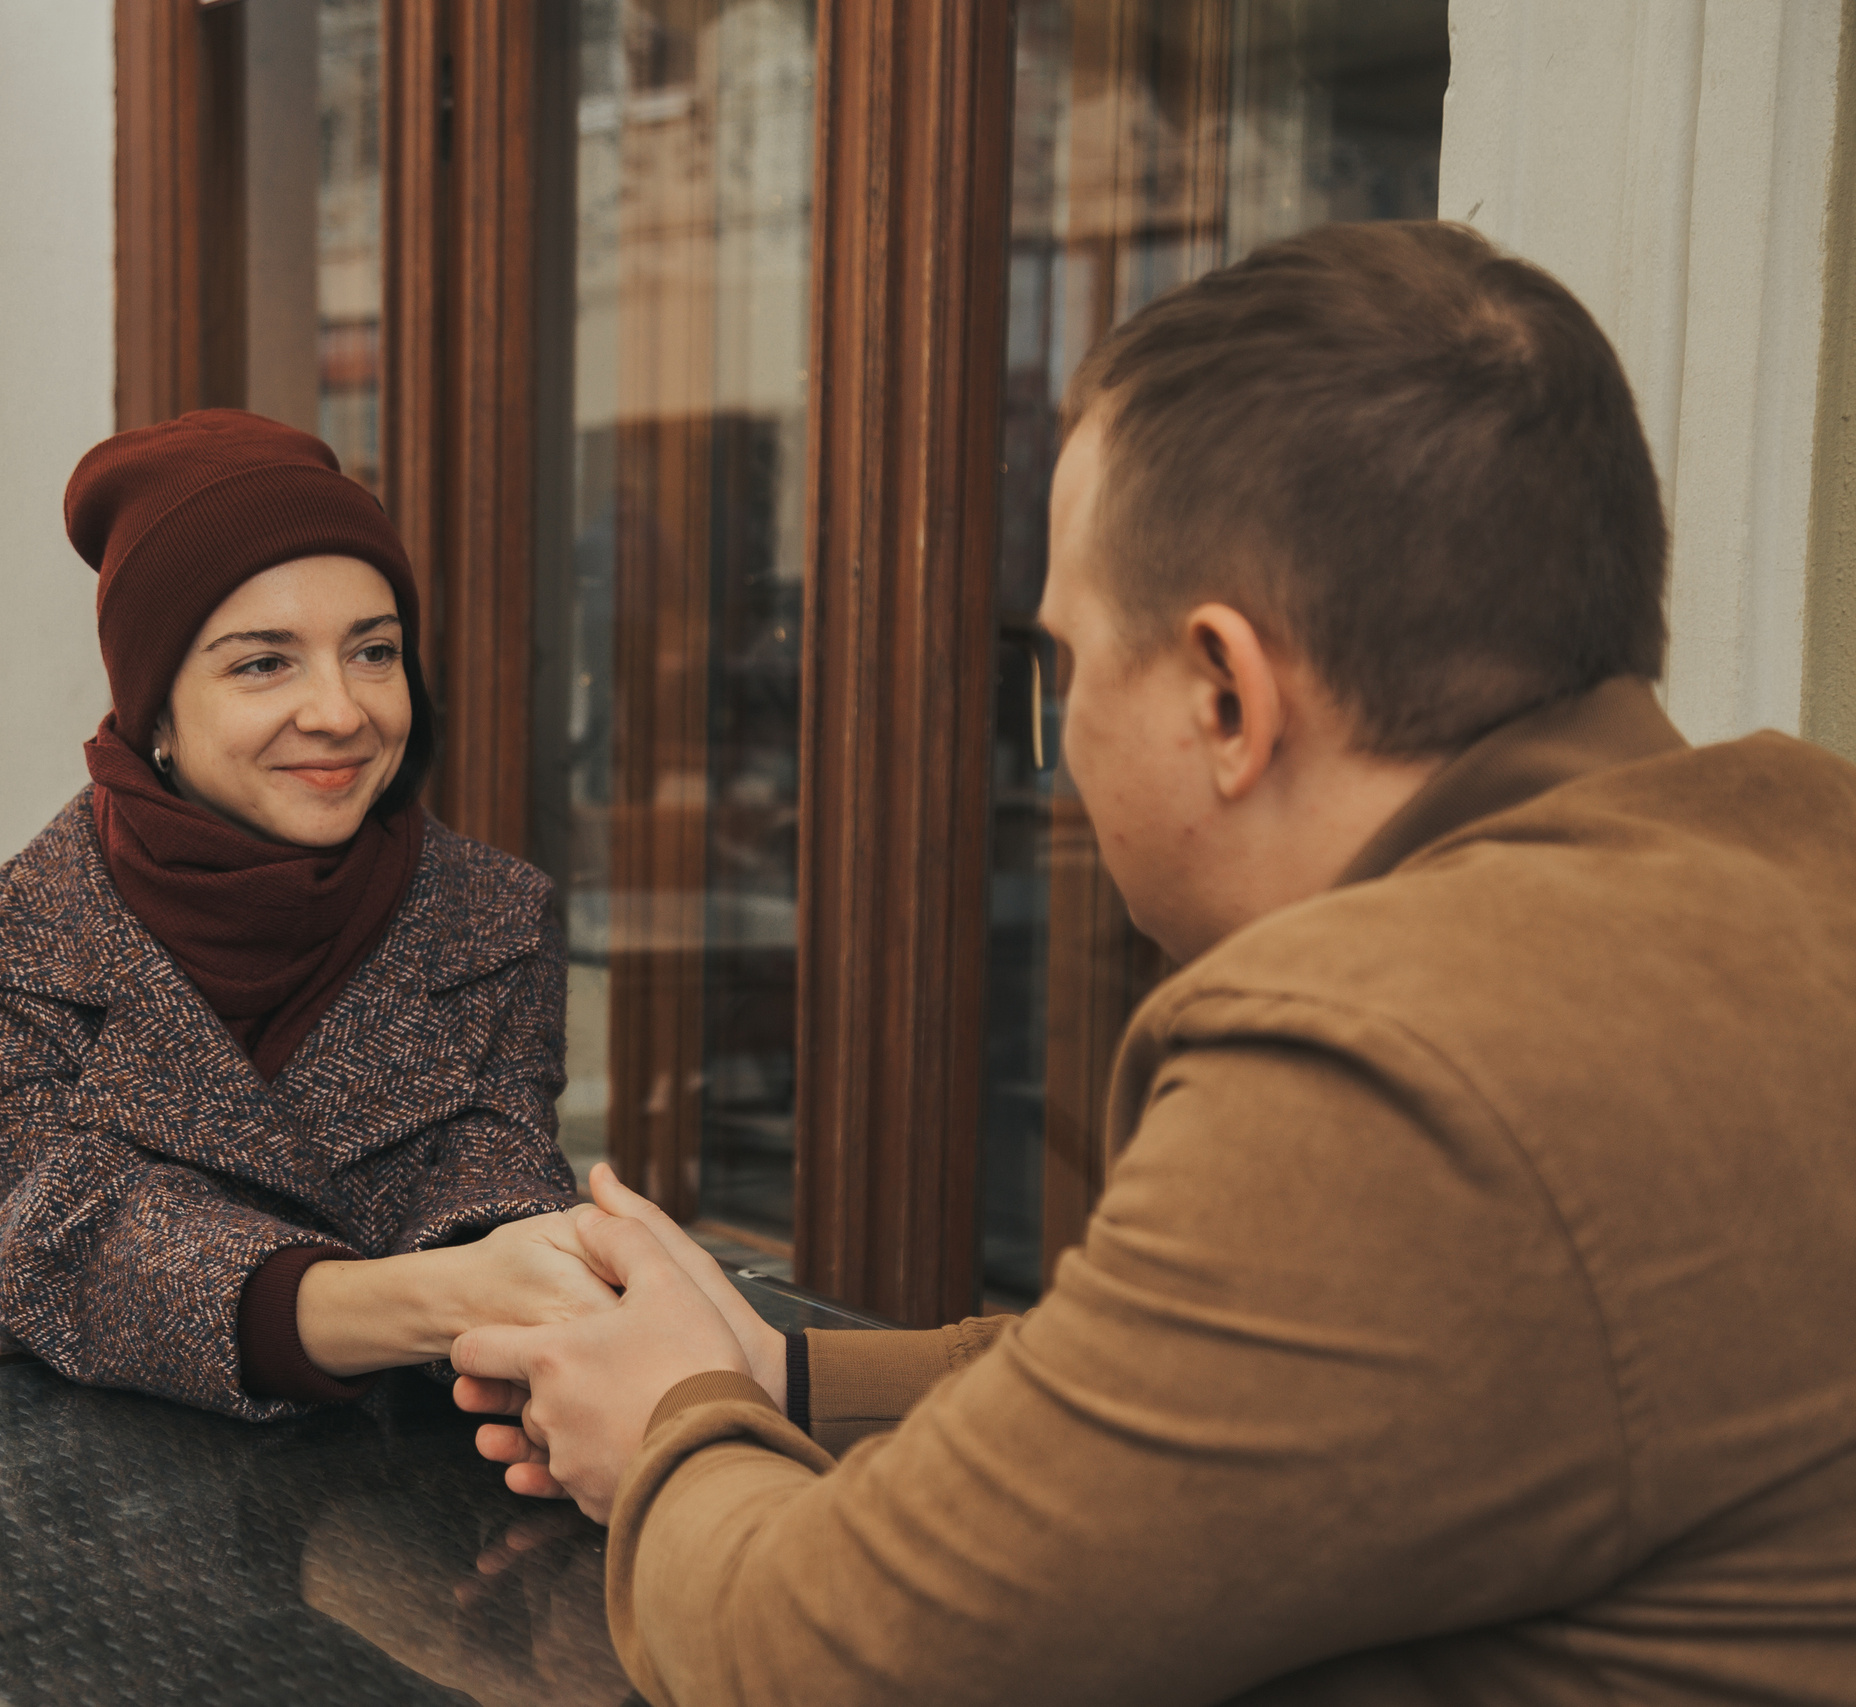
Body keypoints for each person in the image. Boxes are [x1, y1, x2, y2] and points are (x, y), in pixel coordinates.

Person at [451, 221, 1856, 1704]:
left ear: (1227, 695)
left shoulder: (1394, 1058)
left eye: (1062, 666)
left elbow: (833, 1657)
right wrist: (778, 1373)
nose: (1057, 745)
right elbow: (1189, 1380)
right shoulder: (1791, 858)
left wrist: (674, 1423)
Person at [0, 409, 610, 1419]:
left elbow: (492, 1187)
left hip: (423, 1483)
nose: (341, 711)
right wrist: (427, 1300)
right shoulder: (24, 952)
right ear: (154, 707)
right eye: (264, 663)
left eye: (373, 652)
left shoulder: (492, 920)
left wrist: (498, 1277)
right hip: (105, 1501)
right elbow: (65, 1250)